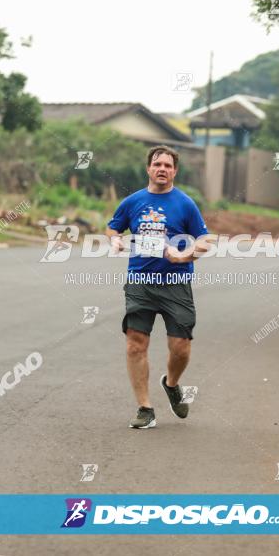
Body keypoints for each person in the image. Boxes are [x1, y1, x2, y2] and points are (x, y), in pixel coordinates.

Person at [106, 145, 210, 429]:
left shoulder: (185, 204)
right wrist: (114, 239)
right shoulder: (132, 202)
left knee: (181, 348)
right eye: (157, 164)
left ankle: (172, 383)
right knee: (135, 345)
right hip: (140, 281)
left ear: (174, 171)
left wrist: (183, 256)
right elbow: (113, 227)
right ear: (149, 168)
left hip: (176, 282)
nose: (162, 169)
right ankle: (145, 407)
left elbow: (205, 240)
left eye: (167, 165)